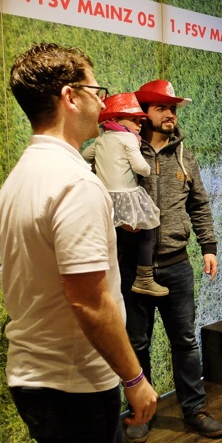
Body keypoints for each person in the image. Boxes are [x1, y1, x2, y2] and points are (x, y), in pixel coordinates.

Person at [0, 43, 157, 443]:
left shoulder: (22, 175)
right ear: (69, 97)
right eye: (95, 88)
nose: (102, 101)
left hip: (39, 375)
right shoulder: (74, 184)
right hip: (75, 382)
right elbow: (89, 300)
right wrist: (135, 379)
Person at [118, 79, 222, 443]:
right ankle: (139, 413)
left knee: (184, 341)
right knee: (136, 343)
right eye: (162, 108)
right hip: (133, 268)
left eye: (173, 109)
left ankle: (194, 409)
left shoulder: (185, 155)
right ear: (144, 113)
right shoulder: (123, 152)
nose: (170, 114)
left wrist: (208, 246)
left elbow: (199, 204)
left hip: (178, 265)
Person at [82, 93, 168, 295]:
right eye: (135, 120)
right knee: (148, 228)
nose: (139, 125)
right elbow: (140, 167)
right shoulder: (129, 138)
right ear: (114, 120)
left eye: (140, 120)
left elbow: (85, 156)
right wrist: (148, 170)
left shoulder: (102, 139)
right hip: (126, 194)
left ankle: (108, 276)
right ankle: (144, 277)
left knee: (114, 236)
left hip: (105, 197)